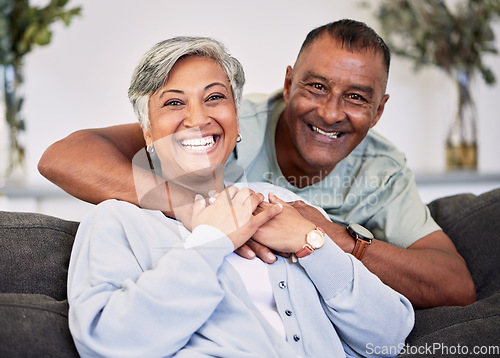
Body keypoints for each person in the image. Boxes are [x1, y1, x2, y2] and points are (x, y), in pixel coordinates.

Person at [39, 19, 475, 308]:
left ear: (379, 110)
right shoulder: (218, 122)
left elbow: (455, 285)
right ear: (288, 83)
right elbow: (63, 157)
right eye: (316, 86)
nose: (329, 112)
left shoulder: (383, 169)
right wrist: (201, 207)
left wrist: (328, 237)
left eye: (357, 97)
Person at [67, 36, 414, 357]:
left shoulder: (282, 204)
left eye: (215, 98)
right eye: (174, 102)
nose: (198, 118)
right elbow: (105, 342)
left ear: (235, 118)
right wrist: (210, 241)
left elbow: (390, 336)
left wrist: (313, 243)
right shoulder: (116, 221)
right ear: (147, 130)